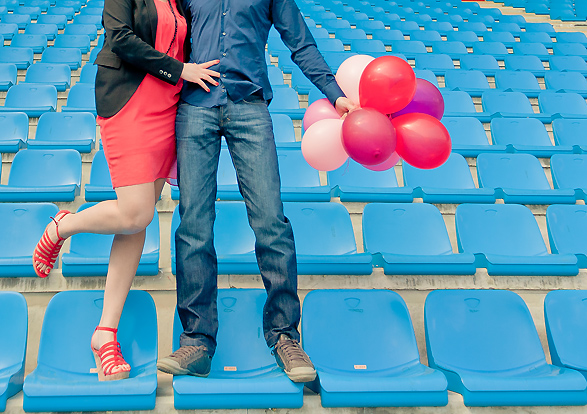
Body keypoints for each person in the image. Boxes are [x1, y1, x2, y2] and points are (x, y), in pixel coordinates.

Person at [156, 0, 357, 382]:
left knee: (270, 222)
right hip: (195, 106)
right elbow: (168, 37)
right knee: (193, 226)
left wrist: (333, 93)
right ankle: (196, 341)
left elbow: (301, 43)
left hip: (249, 106)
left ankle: (284, 335)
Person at [32, 0, 219, 381]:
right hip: (129, 102)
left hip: (167, 107)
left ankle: (105, 333)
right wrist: (180, 69)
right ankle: (63, 226)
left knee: (136, 222)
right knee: (136, 212)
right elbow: (120, 38)